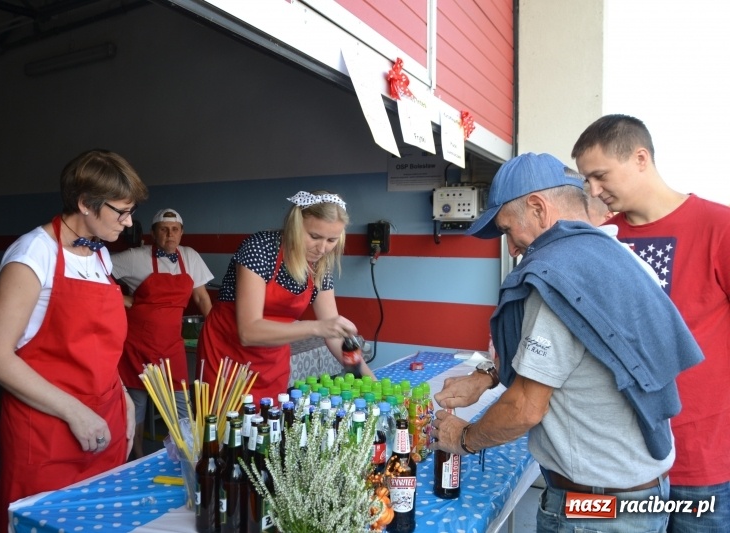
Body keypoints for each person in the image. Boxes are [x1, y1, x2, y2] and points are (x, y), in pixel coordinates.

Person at [429, 153, 703, 533]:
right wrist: (490, 374)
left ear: (539, 209)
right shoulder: (624, 259)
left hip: (595, 509)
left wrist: (463, 438)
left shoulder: (558, 279)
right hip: (645, 493)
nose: (511, 249)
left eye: (508, 230)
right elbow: (590, 352)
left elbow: (524, 409)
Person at [572, 114, 730, 532]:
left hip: (700, 466)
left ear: (640, 158)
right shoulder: (602, 241)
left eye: (600, 176)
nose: (593, 190)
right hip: (622, 468)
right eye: (586, 180)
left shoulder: (719, 226)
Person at [0, 149, 148, 533]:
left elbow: (98, 348)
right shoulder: (32, 254)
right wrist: (75, 412)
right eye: (120, 212)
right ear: (85, 204)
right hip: (47, 430)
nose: (128, 222)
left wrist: (122, 398)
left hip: (103, 422)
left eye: (130, 211)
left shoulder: (101, 257)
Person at [197, 190, 374, 402]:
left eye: (332, 240)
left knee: (268, 425)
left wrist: (370, 381)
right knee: (227, 429)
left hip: (272, 359)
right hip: (227, 355)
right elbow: (248, 331)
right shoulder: (260, 248)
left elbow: (332, 332)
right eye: (314, 236)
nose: (322, 248)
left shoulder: (319, 266)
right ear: (295, 225)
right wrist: (316, 327)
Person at [112, 208, 213, 458]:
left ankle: (187, 458)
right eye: (163, 229)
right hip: (137, 343)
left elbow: (201, 297)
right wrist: (124, 299)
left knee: (182, 406)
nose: (170, 234)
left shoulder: (190, 257)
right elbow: (95, 273)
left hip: (171, 345)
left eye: (175, 229)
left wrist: (215, 330)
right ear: (153, 233)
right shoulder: (135, 256)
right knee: (136, 404)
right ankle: (134, 457)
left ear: (181, 233)